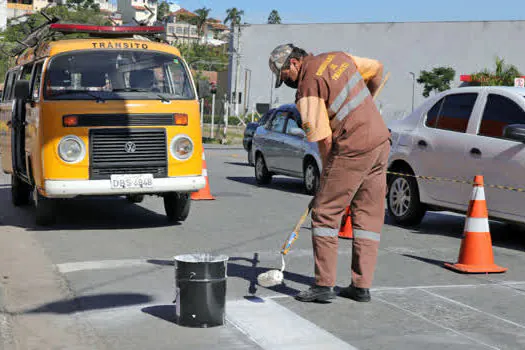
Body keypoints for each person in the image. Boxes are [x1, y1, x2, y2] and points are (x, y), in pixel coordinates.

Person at [268, 44, 391, 303]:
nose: (286, 81)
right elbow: (378, 69)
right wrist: (366, 105)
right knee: (368, 218)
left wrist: (327, 176)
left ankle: (323, 286)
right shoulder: (338, 57)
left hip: (353, 145)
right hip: (380, 140)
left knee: (324, 213)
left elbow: (324, 141)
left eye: (284, 76)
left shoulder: (307, 87)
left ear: (293, 64)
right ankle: (361, 286)